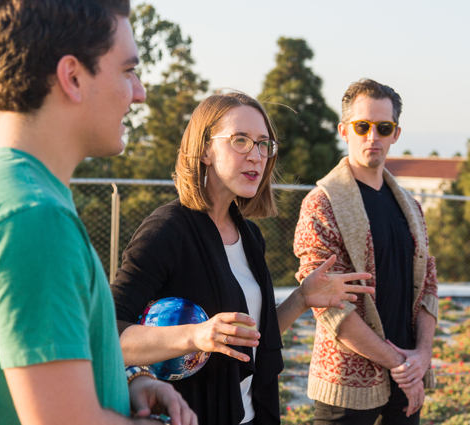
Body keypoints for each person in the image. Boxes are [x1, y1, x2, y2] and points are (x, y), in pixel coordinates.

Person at [0, 1, 195, 424]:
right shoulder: (32, 220)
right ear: (72, 77)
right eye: (127, 70)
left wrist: (128, 384)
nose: (139, 92)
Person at [110, 90, 374, 425]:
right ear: (205, 149)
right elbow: (109, 334)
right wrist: (197, 335)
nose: (256, 156)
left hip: (251, 416)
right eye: (240, 140)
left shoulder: (248, 235)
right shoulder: (167, 231)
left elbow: (248, 340)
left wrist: (302, 299)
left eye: (264, 144)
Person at [293, 78, 439, 425]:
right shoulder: (321, 203)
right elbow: (328, 305)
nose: (372, 136)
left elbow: (428, 287)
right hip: (347, 382)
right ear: (345, 130)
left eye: (383, 127)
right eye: (363, 126)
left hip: (406, 376)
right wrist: (400, 362)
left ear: (395, 134)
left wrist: (421, 355)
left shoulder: (411, 207)